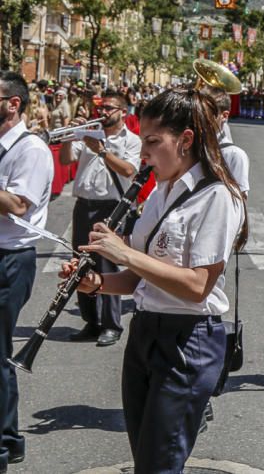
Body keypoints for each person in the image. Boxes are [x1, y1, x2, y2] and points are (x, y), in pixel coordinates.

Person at [65, 87, 248, 473]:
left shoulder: (217, 196)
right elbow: (138, 280)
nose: (143, 153)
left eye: (152, 141)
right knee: (145, 457)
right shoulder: (161, 191)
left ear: (186, 140)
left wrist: (124, 251)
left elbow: (198, 286)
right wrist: (98, 283)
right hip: (146, 331)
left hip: (188, 339)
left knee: (159, 463)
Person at [0, 72, 54, 471]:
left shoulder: (31, 149)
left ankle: (4, 444)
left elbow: (19, 204)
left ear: (12, 103)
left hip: (9, 261)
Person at [59, 91, 141, 347]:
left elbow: (129, 170)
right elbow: (64, 160)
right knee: (80, 262)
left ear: (123, 112)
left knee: (106, 265)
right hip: (84, 205)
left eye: (109, 108)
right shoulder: (90, 133)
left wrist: (103, 152)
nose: (102, 112)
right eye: (101, 107)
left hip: (111, 209)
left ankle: (111, 325)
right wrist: (67, 138)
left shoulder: (132, 141)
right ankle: (90, 321)